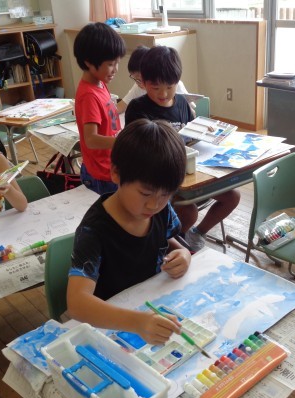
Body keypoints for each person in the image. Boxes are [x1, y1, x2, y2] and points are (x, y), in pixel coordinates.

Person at [66, 119, 191, 345]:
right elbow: (76, 303)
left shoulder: (161, 211)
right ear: (116, 173)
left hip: (153, 306)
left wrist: (184, 254)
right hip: (112, 326)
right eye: (145, 194)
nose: (154, 204)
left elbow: (169, 240)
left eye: (166, 195)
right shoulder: (94, 230)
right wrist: (137, 322)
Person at [125, 46, 240, 252]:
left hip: (190, 174)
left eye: (170, 87)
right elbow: (138, 153)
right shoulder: (137, 108)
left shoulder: (182, 103)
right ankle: (170, 243)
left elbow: (192, 137)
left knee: (233, 196)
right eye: (155, 87)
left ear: (177, 82)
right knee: (189, 212)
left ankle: (196, 234)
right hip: (160, 181)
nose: (163, 93)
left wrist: (205, 132)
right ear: (143, 82)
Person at [73, 22, 126, 195]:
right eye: (111, 64)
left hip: (110, 165)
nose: (115, 69)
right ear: (89, 62)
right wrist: (123, 142)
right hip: (101, 174)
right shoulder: (89, 95)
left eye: (117, 63)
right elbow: (91, 140)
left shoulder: (100, 84)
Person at [116, 45, 191, 114]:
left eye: (169, 87)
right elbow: (121, 106)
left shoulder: (179, 95)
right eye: (136, 80)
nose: (163, 94)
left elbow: (190, 108)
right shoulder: (136, 102)